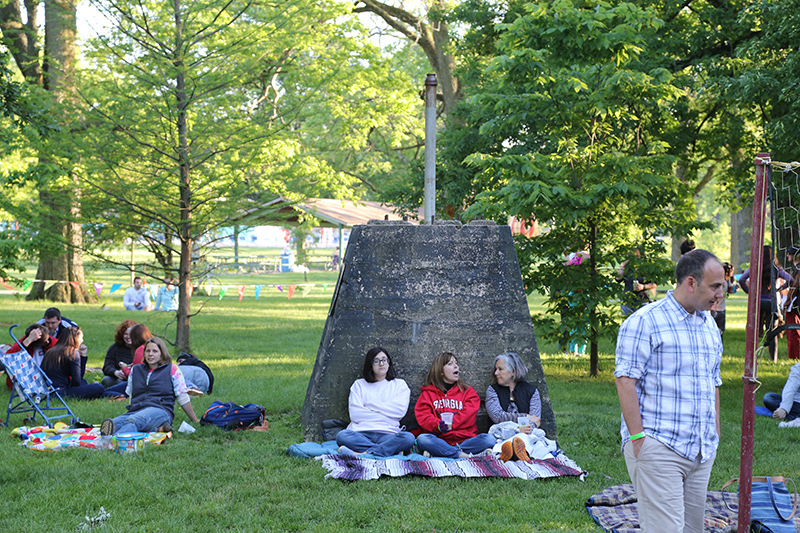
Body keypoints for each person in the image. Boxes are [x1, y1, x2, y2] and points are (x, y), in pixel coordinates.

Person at [615, 249, 724, 533]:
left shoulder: (708, 323)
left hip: (701, 450)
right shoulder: (644, 322)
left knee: (691, 530)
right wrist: (639, 439)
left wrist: (714, 431)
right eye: (715, 286)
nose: (721, 293)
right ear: (691, 283)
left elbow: (713, 379)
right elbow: (625, 381)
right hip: (658, 445)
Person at [100, 337, 199, 435]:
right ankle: (157, 430)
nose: (150, 354)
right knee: (113, 424)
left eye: (155, 351)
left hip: (160, 410)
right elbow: (131, 394)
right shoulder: (136, 370)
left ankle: (116, 442)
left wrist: (195, 420)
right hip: (136, 410)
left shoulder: (171, 369)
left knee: (134, 421)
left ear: (162, 353)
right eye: (148, 351)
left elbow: (182, 397)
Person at [335, 347, 415, 457]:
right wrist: (387, 416)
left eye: (384, 360)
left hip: (389, 434)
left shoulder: (400, 385)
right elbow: (356, 415)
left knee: (408, 438)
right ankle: (386, 450)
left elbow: (399, 412)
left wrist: (370, 405)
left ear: (389, 362)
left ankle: (362, 454)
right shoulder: (359, 385)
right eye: (376, 361)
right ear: (370, 365)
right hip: (361, 433)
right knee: (342, 436)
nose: (381, 364)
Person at [414, 352, 496, 459]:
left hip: (466, 440)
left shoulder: (468, 392)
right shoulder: (428, 394)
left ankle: (442, 452)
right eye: (450, 364)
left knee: (489, 439)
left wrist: (452, 424)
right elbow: (424, 417)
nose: (456, 366)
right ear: (440, 371)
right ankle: (464, 455)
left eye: (456, 363)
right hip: (440, 440)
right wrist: (438, 425)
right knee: (422, 439)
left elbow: (468, 417)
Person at [485, 352, 541, 461]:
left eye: (500, 369)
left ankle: (516, 452)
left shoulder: (531, 391)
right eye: (496, 369)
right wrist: (526, 417)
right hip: (500, 434)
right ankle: (513, 452)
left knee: (533, 437)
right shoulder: (492, 390)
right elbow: (497, 417)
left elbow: (536, 420)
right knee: (490, 440)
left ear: (513, 372)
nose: (496, 373)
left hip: (524, 434)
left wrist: (528, 428)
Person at [740, 245, 793, 360]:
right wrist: (779, 289)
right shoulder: (776, 268)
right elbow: (790, 279)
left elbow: (741, 279)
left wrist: (751, 293)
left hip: (758, 302)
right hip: (771, 301)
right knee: (772, 331)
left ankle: (751, 358)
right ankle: (772, 358)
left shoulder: (755, 267)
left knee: (754, 330)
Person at [40, 328, 116, 399]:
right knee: (99, 387)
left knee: (85, 382)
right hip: (60, 393)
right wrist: (83, 357)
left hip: (48, 390)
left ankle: (116, 394)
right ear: (75, 339)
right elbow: (77, 381)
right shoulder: (72, 352)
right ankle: (116, 394)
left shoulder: (51, 351)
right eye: (81, 338)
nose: (82, 341)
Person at [4, 324, 57, 390]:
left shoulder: (53, 342)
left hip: (48, 378)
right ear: (35, 342)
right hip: (28, 379)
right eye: (45, 341)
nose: (48, 341)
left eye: (48, 339)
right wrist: (28, 340)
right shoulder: (23, 342)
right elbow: (8, 358)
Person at [616, 249, 657, 316]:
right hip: (627, 301)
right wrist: (623, 265)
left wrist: (643, 286)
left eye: (632, 257)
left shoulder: (644, 269)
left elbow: (654, 284)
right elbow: (618, 278)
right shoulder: (626, 268)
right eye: (628, 257)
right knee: (627, 323)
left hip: (642, 300)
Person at [101, 319, 137, 388]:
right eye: (126, 334)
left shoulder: (140, 349)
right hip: (118, 378)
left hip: (134, 379)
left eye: (131, 334)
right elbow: (107, 366)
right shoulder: (115, 348)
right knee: (106, 380)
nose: (128, 337)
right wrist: (116, 372)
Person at [763, 362, 800, 426]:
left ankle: (794, 418)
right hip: (796, 404)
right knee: (769, 398)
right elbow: (790, 389)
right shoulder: (797, 368)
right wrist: (784, 408)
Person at [709, 262, 737, 341]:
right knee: (713, 329)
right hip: (713, 308)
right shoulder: (717, 281)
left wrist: (735, 288)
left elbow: (729, 290)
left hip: (721, 308)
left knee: (720, 330)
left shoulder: (727, 281)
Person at [783, 271, 800, 360]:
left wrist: (787, 302)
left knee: (794, 330)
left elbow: (794, 287)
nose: (788, 256)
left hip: (796, 303)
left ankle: (795, 355)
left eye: (790, 255)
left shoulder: (798, 269)